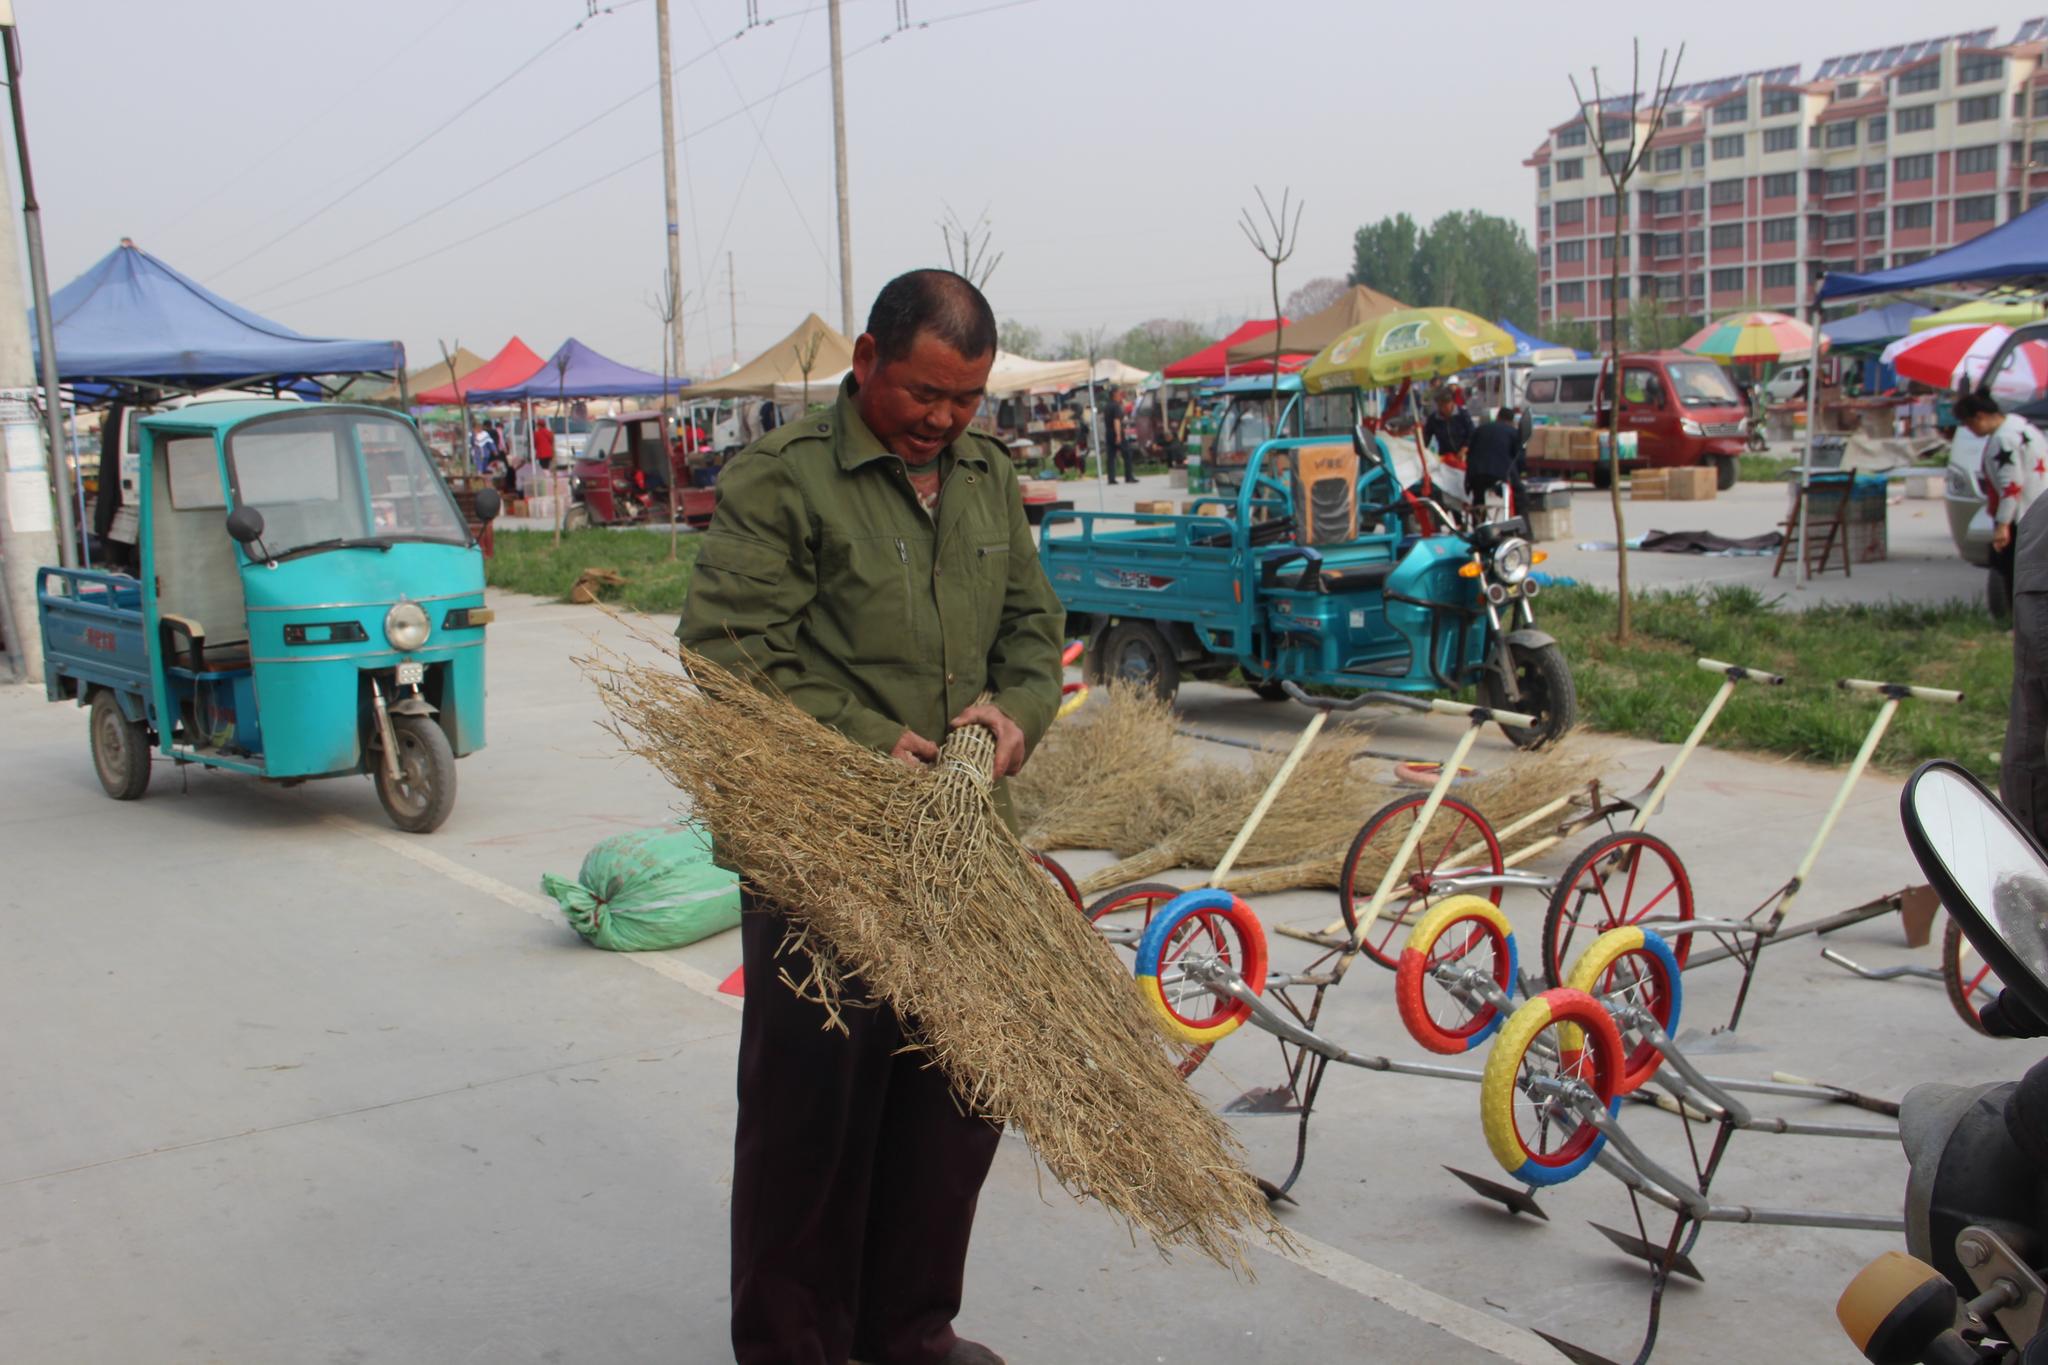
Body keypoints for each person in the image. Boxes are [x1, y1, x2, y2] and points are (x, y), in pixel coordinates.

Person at [678, 268, 1064, 1365]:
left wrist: (1013, 715)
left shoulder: (987, 479)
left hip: (958, 855)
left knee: (951, 1106)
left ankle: (910, 1331)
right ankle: (798, 1346)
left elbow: (1035, 635)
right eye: (925, 395)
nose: (943, 421)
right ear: (865, 361)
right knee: (815, 1119)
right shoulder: (781, 480)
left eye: (966, 401)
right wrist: (859, 742)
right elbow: (727, 654)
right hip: (822, 855)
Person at [1958, 391, 2048, 605]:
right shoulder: (2022, 426)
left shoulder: (2003, 439)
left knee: (2011, 570)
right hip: (2039, 510)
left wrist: (2002, 524)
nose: (1971, 430)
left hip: (2023, 515)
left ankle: (2016, 622)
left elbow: (2011, 486)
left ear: (1980, 416)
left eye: (1969, 424)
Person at [1465, 406, 1527, 519]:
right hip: (1499, 474)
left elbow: (1469, 453)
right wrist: (1521, 472)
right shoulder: (1513, 432)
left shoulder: (1480, 429)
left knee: (1478, 499)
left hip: (1476, 473)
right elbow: (1519, 458)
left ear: (1497, 417)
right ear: (1512, 421)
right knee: (1520, 494)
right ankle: (1521, 529)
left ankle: (1478, 527)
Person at [1422, 389, 1474, 462]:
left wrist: (1464, 449)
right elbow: (1426, 436)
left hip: (1466, 455)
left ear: (1452, 402)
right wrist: (1422, 449)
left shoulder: (1463, 414)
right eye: (1440, 406)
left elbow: (1472, 433)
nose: (1442, 409)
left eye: (1445, 405)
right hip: (1446, 456)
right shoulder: (1433, 419)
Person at [1103, 387, 1133, 483]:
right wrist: (1118, 435)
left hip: (1108, 432)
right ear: (1114, 394)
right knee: (1127, 454)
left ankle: (1111, 478)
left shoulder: (1107, 406)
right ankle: (1129, 476)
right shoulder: (1116, 406)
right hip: (1117, 432)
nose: (1121, 395)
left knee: (1111, 456)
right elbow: (1116, 421)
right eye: (1119, 393)